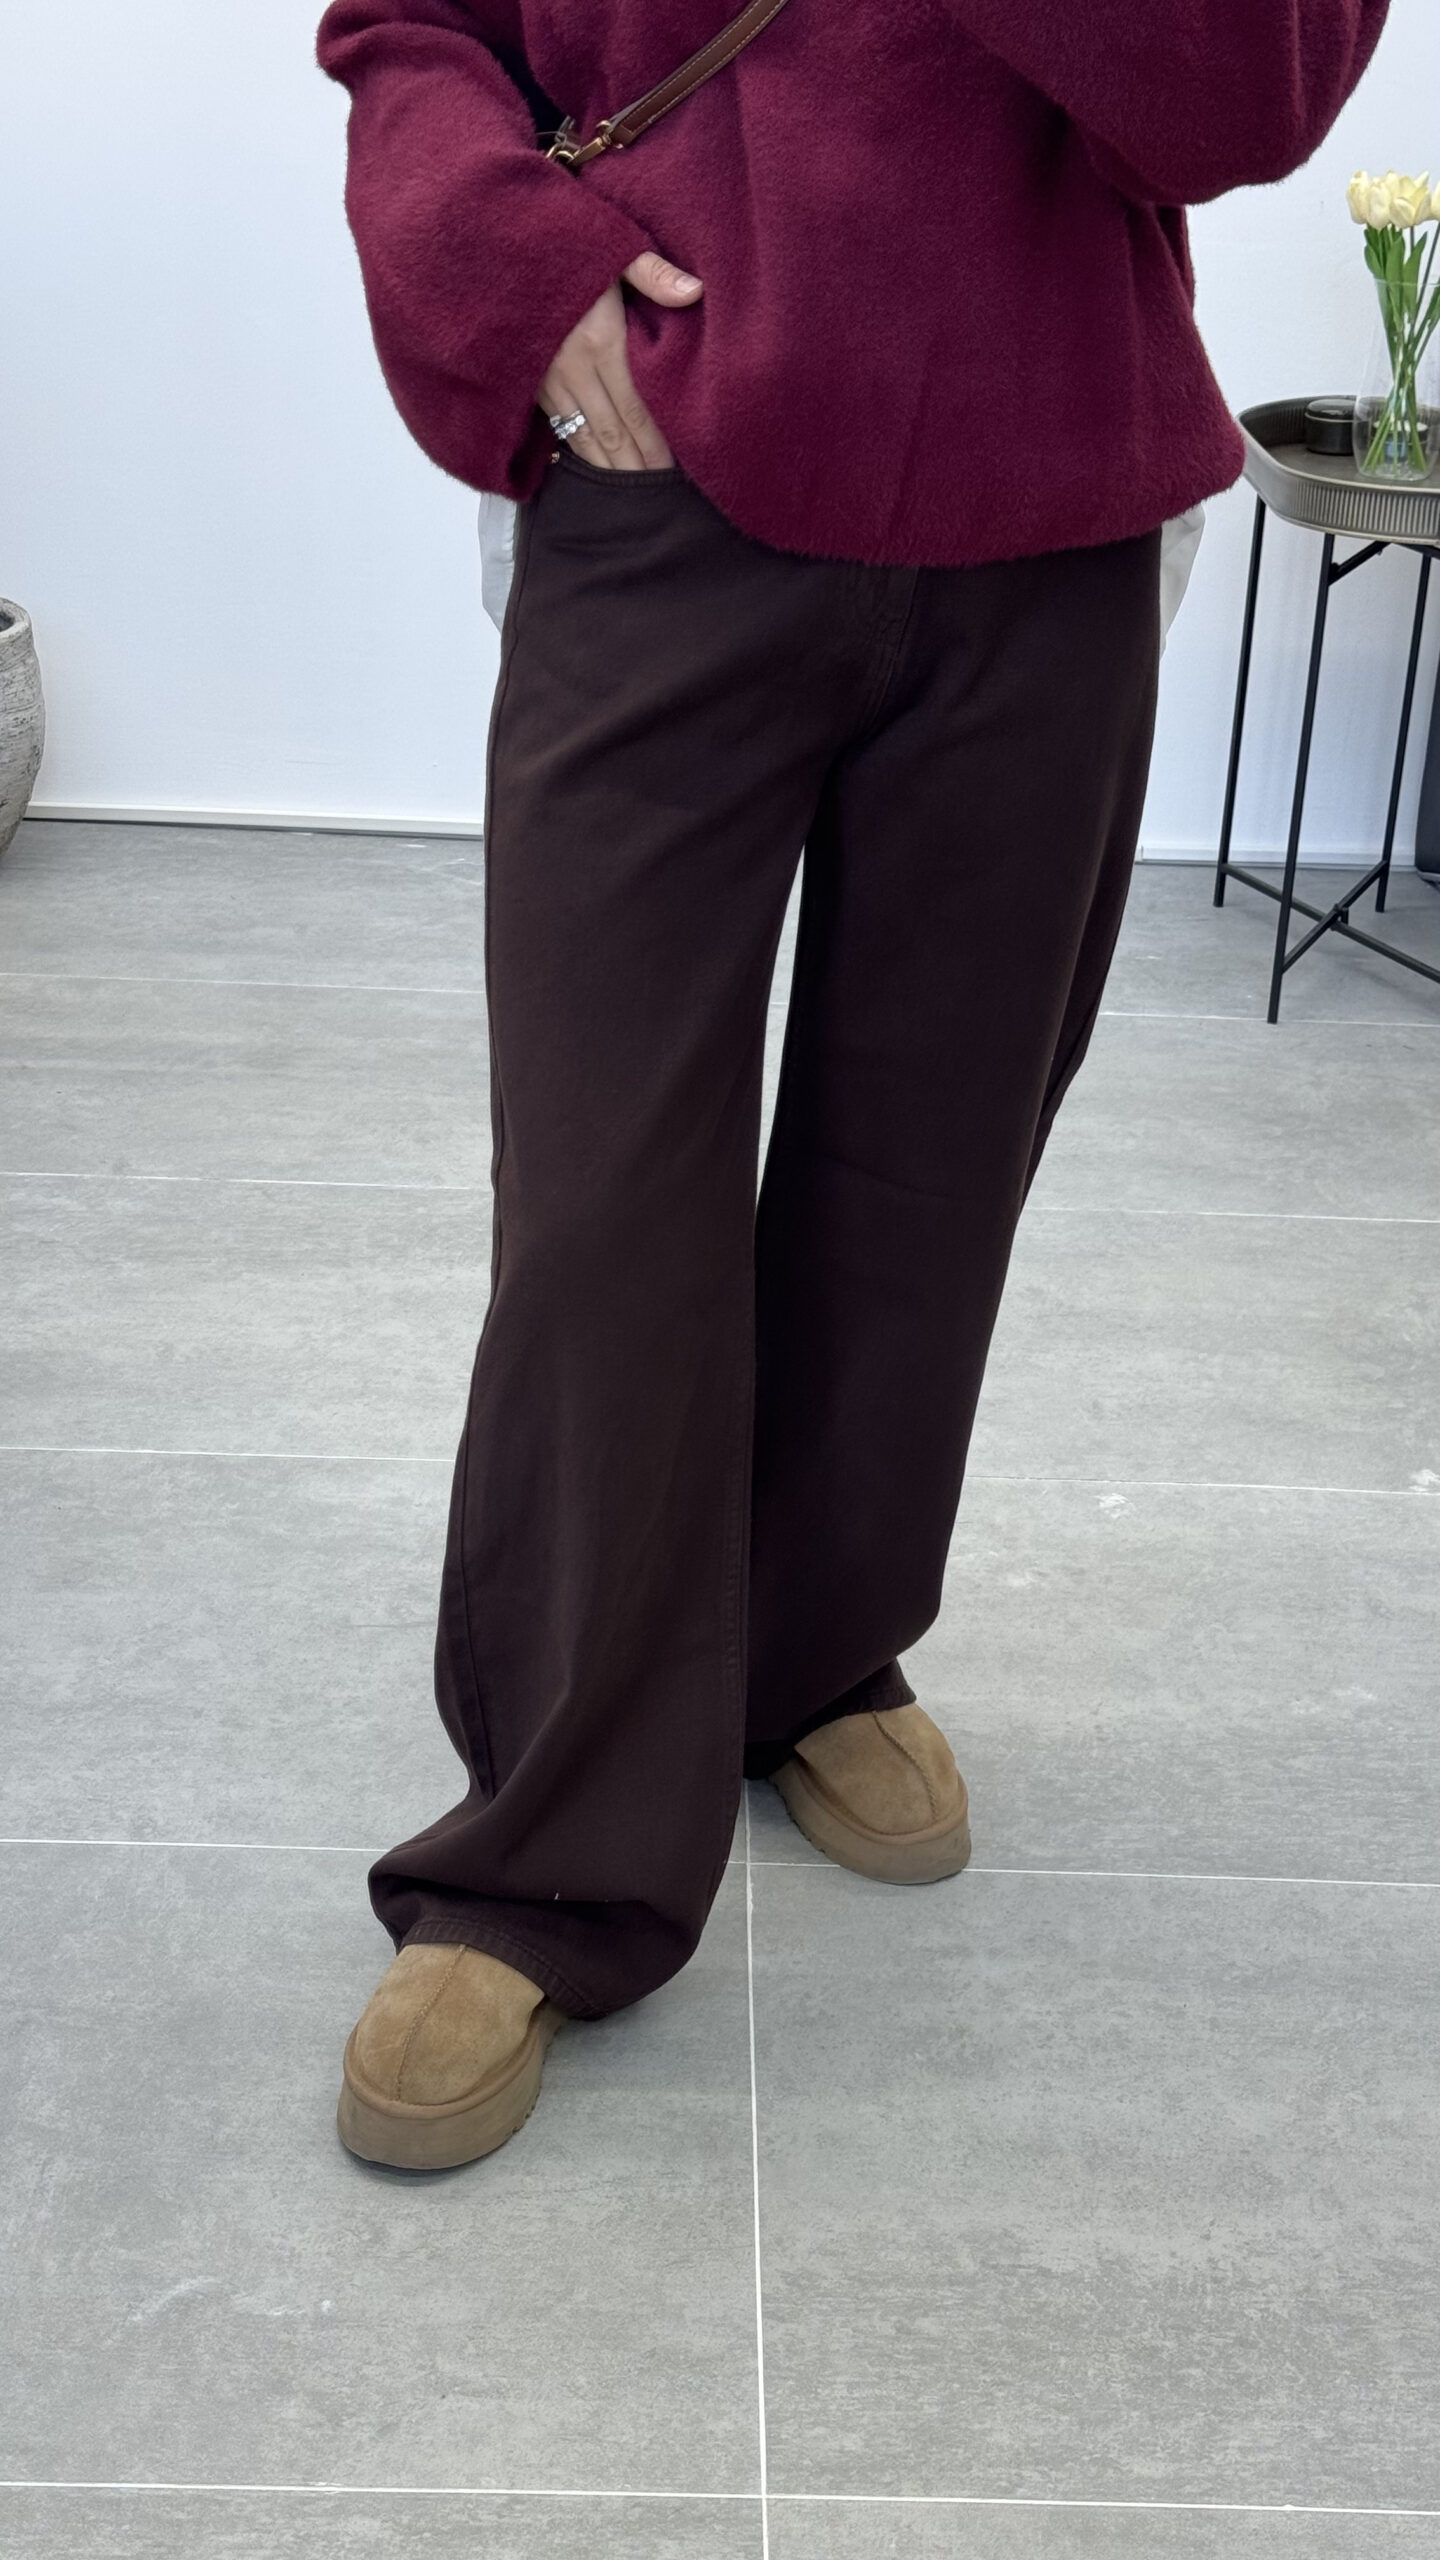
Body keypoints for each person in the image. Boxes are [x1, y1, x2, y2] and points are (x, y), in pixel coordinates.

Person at [315, 0, 1389, 2171]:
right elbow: (409, 29)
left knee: (928, 1172)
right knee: (604, 1204)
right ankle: (545, 1854)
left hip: (1049, 494)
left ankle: (810, 1648)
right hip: (668, 484)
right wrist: (511, 272)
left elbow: (1245, 97)